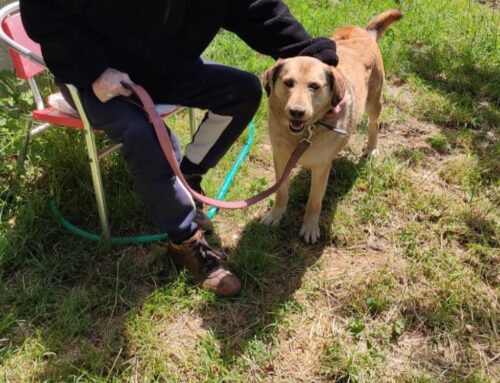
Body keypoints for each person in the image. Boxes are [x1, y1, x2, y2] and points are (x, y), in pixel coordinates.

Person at [20, 0, 338, 297]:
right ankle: (184, 242)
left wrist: (318, 57)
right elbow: (44, 12)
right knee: (142, 134)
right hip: (98, 77)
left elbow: (258, 9)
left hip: (164, 69)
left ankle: (188, 177)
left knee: (242, 92)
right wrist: (92, 71)